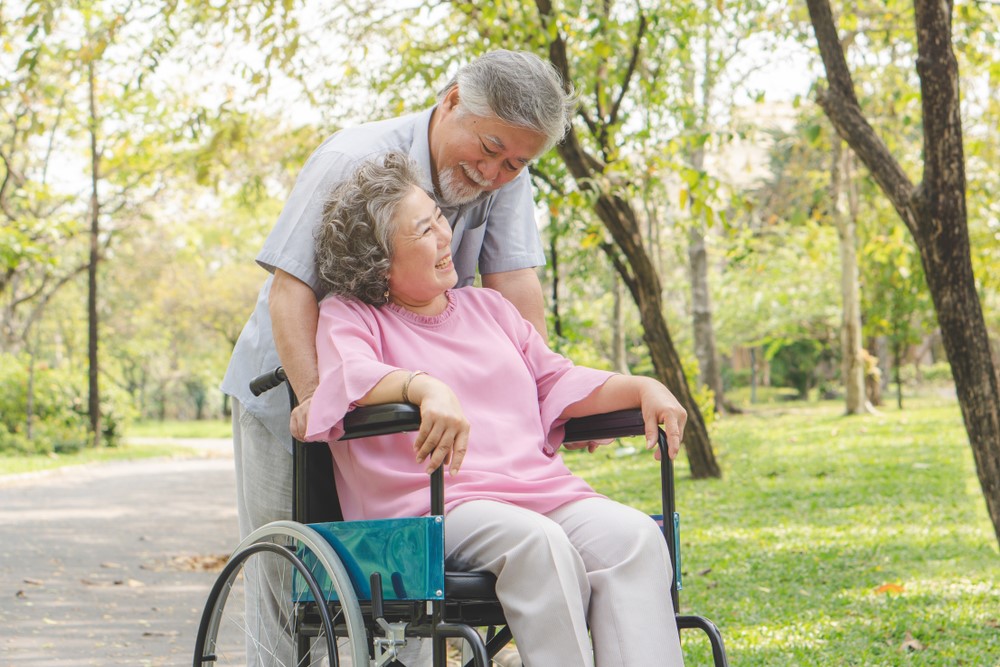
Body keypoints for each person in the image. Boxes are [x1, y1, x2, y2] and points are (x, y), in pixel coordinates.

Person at [220, 50, 574, 665]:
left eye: (516, 161)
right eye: (489, 149)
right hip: (295, 386)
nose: (494, 172)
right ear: (452, 101)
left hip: (410, 397)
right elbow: (291, 289)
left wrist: (538, 400)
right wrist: (315, 401)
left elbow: (514, 286)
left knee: (403, 584)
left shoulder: (505, 177)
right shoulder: (351, 158)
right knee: (297, 590)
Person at [303, 152, 687, 666]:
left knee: (634, 537)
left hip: (538, 491)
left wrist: (642, 386)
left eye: (439, 217)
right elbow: (347, 376)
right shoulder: (350, 315)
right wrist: (423, 387)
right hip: (434, 508)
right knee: (539, 544)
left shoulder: (490, 308)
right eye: (423, 231)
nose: (445, 236)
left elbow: (556, 379)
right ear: (380, 260)